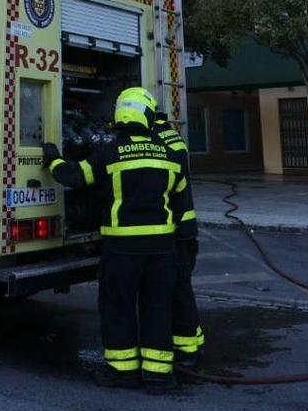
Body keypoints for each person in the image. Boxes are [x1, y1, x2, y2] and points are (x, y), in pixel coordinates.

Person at [44, 85, 182, 393]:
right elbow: (176, 193)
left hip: (123, 249)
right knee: (157, 308)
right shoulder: (169, 154)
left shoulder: (110, 154)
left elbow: (74, 177)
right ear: (147, 116)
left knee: (117, 308)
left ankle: (122, 372)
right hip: (162, 249)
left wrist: (52, 157)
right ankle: (159, 376)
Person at [149, 97, 203, 366]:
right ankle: (192, 340)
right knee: (180, 288)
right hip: (184, 229)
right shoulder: (171, 138)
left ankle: (187, 348)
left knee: (177, 290)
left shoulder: (157, 143)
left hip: (176, 231)